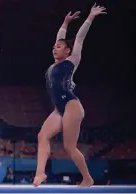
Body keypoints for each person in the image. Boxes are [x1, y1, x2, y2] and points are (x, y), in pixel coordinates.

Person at [33, 3, 107, 187]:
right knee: (42, 136)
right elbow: (60, 38)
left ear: (67, 51)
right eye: (54, 46)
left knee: (69, 147)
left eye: (59, 47)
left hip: (71, 105)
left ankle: (88, 178)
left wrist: (90, 17)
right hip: (59, 109)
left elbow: (80, 38)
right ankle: (40, 173)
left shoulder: (71, 62)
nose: (54, 48)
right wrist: (65, 23)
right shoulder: (53, 65)